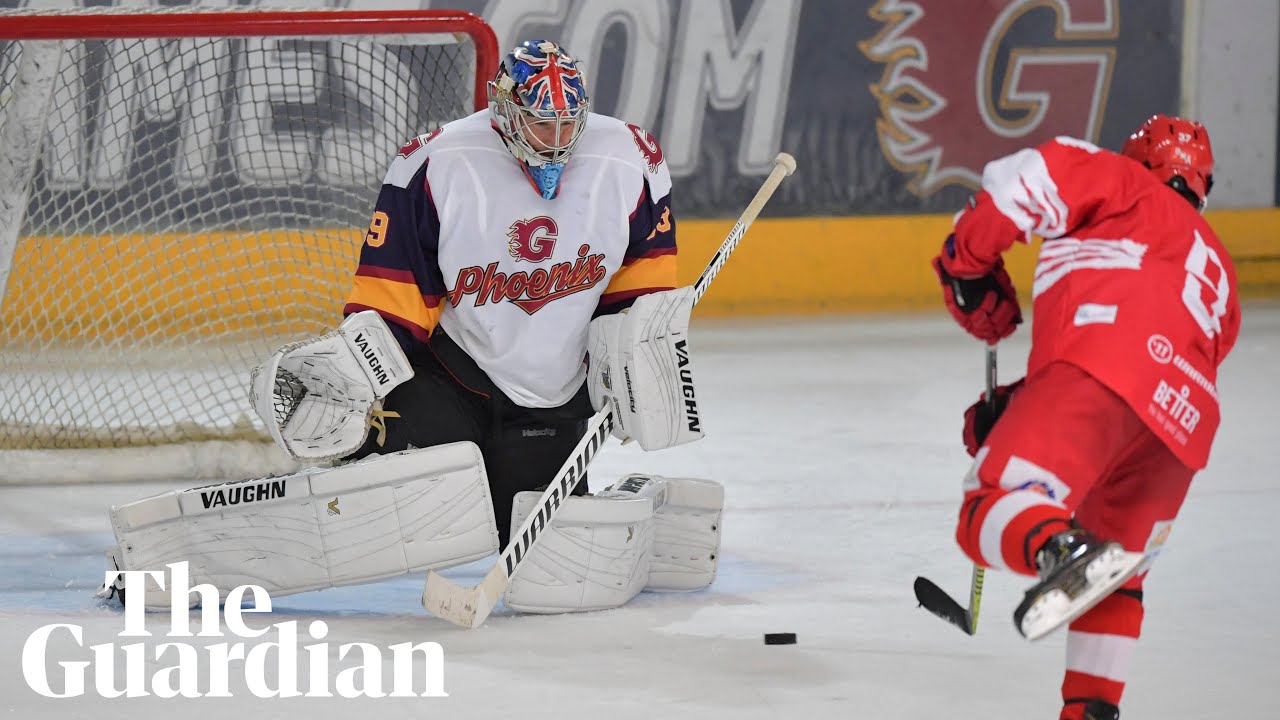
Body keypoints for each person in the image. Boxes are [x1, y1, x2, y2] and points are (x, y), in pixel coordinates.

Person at [98, 40, 723, 617]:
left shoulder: (631, 159)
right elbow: (395, 300)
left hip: (553, 399)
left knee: (555, 572)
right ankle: (170, 562)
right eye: (541, 122)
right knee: (367, 509)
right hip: (451, 377)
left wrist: (634, 362)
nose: (557, 140)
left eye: (568, 124)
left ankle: (645, 512)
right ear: (505, 110)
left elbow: (639, 289)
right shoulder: (436, 162)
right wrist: (356, 375)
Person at [931, 115, 1240, 720]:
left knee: (989, 505)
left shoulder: (1116, 178)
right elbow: (1155, 370)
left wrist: (966, 265)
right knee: (1117, 578)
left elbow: (1019, 185)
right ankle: (1091, 711)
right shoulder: (1220, 268)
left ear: (1136, 156)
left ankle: (1059, 548)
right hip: (1181, 428)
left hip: (1103, 369)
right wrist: (1020, 409)